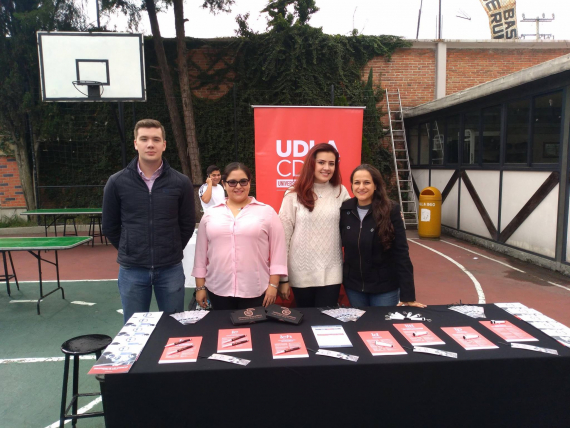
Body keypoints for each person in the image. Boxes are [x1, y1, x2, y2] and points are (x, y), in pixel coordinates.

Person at [103, 119, 195, 323]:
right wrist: (130, 248)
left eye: (156, 139)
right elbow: (110, 225)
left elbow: (187, 224)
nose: (150, 144)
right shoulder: (117, 182)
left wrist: (170, 247)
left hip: (170, 268)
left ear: (164, 144)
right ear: (135, 143)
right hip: (132, 270)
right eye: (144, 139)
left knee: (174, 328)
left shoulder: (181, 182)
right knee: (134, 330)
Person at [192, 162, 288, 310]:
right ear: (224, 184)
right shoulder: (211, 214)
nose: (238, 186)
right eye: (232, 182)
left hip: (256, 290)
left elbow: (278, 252)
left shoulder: (267, 212)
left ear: (249, 183)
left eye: (243, 181)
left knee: (255, 332)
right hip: (218, 289)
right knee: (222, 331)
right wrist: (200, 287)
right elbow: (200, 255)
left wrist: (273, 285)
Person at [339, 164, 425, 308]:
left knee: (381, 327)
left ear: (375, 186)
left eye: (367, 182)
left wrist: (408, 295)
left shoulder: (391, 210)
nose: (361, 187)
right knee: (359, 327)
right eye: (357, 183)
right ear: (351, 186)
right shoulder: (345, 209)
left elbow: (401, 253)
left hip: (384, 288)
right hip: (354, 287)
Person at [279, 143, 350, 307]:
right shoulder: (292, 194)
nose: (327, 168)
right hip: (300, 274)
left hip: (331, 273)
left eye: (331, 164)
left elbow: (355, 223)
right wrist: (283, 278)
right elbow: (283, 238)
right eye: (321, 162)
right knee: (305, 322)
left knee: (325, 324)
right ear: (311, 164)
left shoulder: (341, 192)